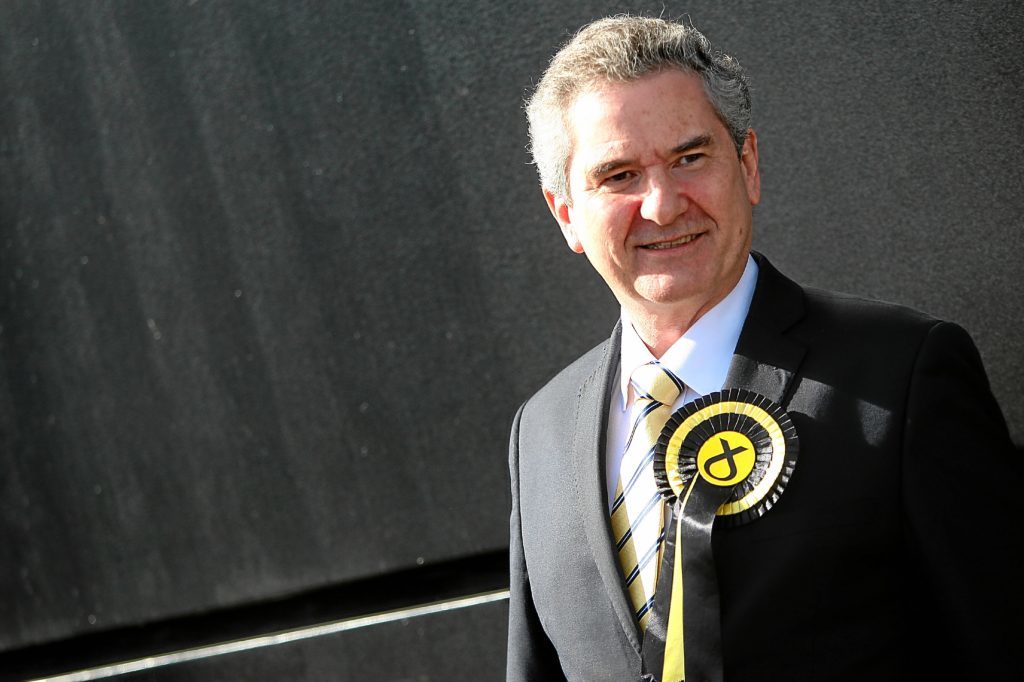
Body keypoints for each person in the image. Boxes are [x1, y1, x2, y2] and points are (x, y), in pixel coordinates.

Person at [507, 15, 1019, 682]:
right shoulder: (539, 435)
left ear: (747, 166)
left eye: (689, 158)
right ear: (566, 211)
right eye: (619, 175)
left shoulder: (904, 376)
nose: (662, 205)